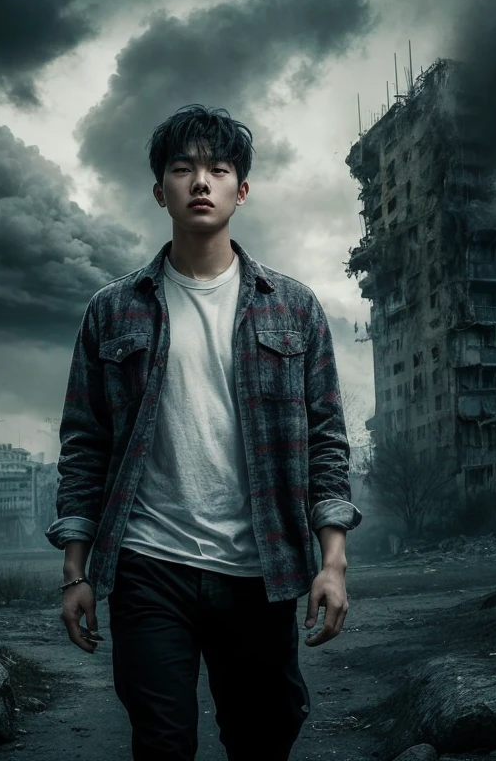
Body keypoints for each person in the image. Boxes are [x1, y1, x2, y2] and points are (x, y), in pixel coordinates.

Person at [45, 104, 362, 760]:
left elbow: (326, 441)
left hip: (259, 568)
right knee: (161, 743)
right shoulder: (111, 311)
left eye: (218, 169)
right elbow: (85, 444)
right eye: (182, 168)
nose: (200, 182)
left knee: (263, 737)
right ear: (159, 188)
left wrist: (332, 561)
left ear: (240, 191)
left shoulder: (295, 308)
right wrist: (75, 572)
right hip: (148, 566)